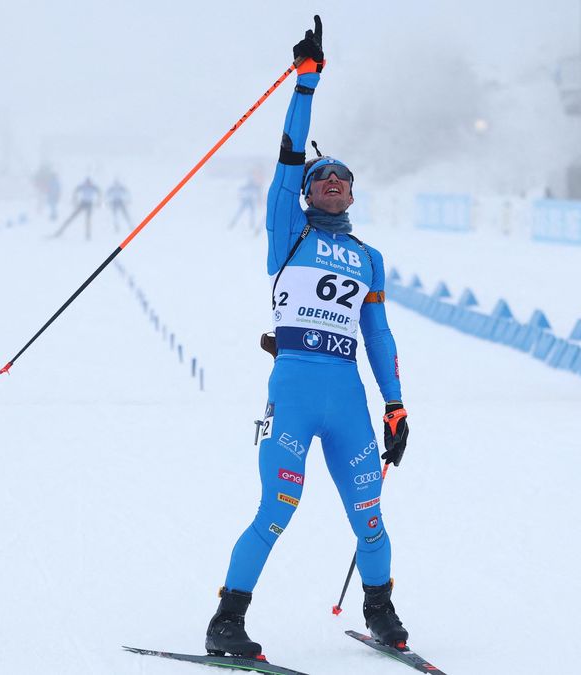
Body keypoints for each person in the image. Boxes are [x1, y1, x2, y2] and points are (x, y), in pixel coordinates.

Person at [204, 16, 412, 658]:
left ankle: (379, 610)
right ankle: (226, 624)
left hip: (348, 397)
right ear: (305, 192)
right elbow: (290, 155)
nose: (332, 181)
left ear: (353, 192)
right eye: (322, 177)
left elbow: (378, 333)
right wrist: (306, 82)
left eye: (342, 178)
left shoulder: (369, 257)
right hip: (294, 389)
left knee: (370, 519)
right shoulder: (286, 233)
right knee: (278, 506)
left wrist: (396, 403)